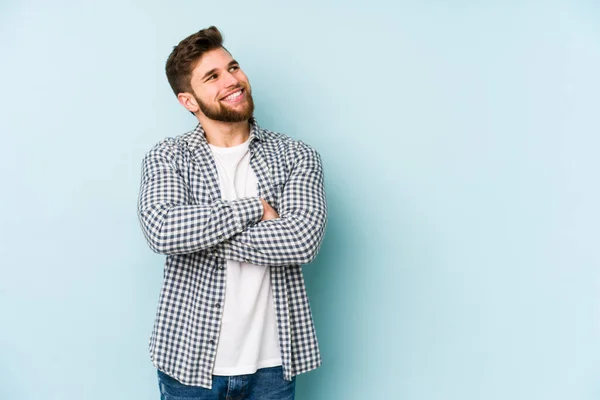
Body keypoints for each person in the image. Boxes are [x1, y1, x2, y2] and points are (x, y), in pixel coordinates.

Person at [137, 26, 327, 399]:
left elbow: (301, 242)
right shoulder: (168, 156)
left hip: (272, 367)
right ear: (188, 101)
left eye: (233, 67)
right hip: (189, 363)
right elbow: (161, 230)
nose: (232, 80)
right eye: (212, 76)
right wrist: (254, 207)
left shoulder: (296, 155)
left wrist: (196, 235)